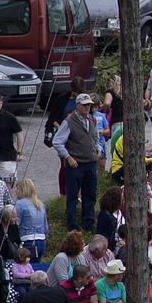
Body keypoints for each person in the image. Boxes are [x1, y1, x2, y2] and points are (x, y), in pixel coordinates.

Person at [53, 93, 101, 230]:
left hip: (91, 163)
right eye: (85, 105)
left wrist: (98, 149)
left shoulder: (92, 119)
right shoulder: (69, 121)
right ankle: (72, 225)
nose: (87, 107)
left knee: (90, 195)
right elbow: (57, 141)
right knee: (73, 196)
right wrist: (68, 157)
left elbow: (95, 137)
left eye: (89, 105)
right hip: (76, 164)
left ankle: (88, 223)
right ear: (78, 105)